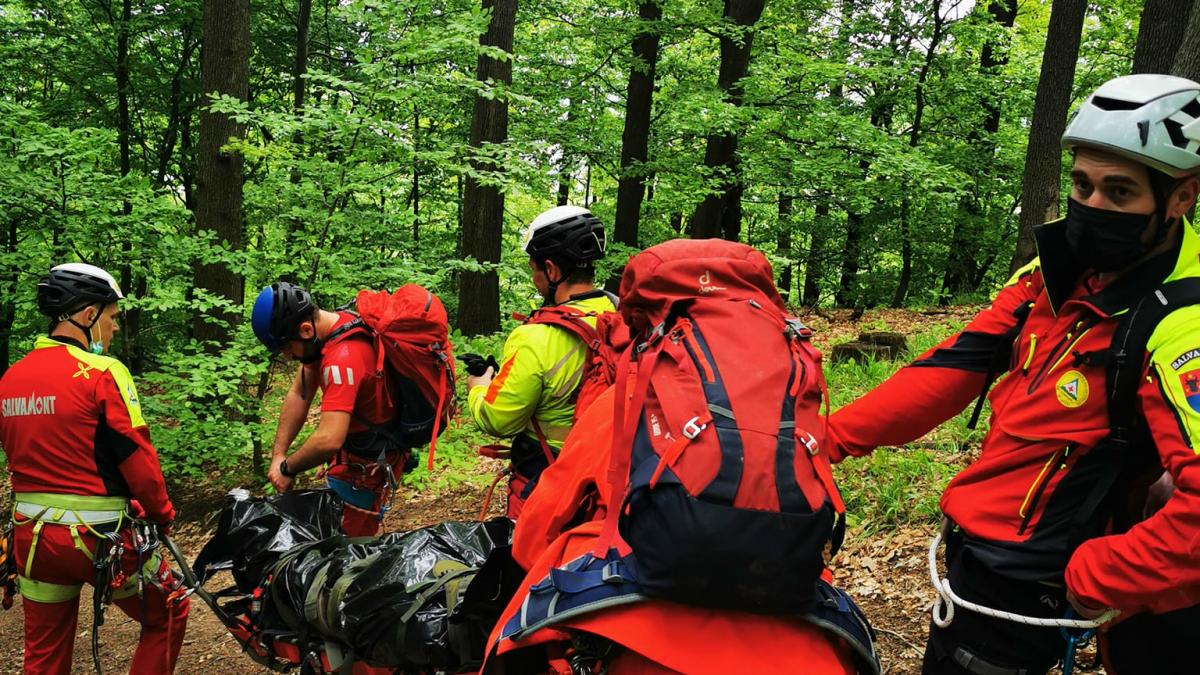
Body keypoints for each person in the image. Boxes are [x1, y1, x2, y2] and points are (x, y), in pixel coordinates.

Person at [827, 74, 1200, 674]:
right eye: (1081, 184)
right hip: (993, 541)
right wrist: (826, 441)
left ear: (1182, 197)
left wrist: (1104, 573)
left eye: (1120, 192)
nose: (1092, 206)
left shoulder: (1185, 322)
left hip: (1049, 565)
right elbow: (960, 362)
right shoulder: (1057, 270)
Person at [0, 263, 188, 674]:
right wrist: (161, 514)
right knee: (169, 611)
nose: (115, 328)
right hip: (98, 538)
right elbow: (136, 457)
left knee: (44, 655)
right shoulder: (103, 373)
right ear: (88, 315)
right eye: (112, 317)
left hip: (32, 538)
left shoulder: (10, 380)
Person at [465, 205, 616, 517]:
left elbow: (498, 420)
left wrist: (478, 388)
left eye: (534, 268)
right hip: (613, 481)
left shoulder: (536, 337)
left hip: (549, 485)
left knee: (530, 564)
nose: (534, 277)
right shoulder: (622, 316)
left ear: (551, 270)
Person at [253, 281, 412, 537]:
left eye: (286, 348)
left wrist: (288, 468)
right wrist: (278, 454)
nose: (287, 357)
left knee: (350, 555)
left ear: (305, 330)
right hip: (353, 458)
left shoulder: (342, 358)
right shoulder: (332, 329)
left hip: (364, 471)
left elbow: (328, 439)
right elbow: (300, 392)